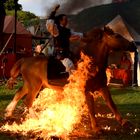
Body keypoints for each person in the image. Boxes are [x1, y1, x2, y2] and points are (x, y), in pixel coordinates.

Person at [46, 5, 83, 75]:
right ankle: (73, 83)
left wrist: (87, 34)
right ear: (60, 21)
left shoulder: (67, 30)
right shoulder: (56, 30)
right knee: (70, 65)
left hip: (67, 52)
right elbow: (49, 23)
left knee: (78, 62)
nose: (67, 21)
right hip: (59, 54)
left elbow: (78, 34)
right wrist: (54, 11)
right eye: (65, 19)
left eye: (67, 20)